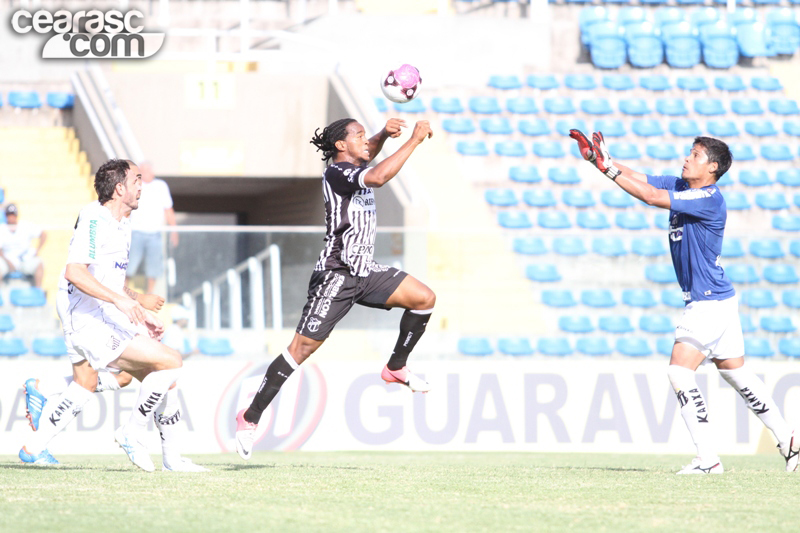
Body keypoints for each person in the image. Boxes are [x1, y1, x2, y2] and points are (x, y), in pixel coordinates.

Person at [570, 129, 799, 474]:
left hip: (708, 302)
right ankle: (790, 442)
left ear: (713, 167)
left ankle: (708, 460)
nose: (686, 159)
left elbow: (648, 196)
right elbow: (644, 180)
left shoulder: (708, 198)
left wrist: (607, 170)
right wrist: (602, 160)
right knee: (737, 374)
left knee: (679, 371)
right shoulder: (682, 185)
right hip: (719, 299)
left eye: (694, 155)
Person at [234, 117, 436, 460]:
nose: (365, 141)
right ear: (341, 146)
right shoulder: (337, 173)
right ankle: (250, 416)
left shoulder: (354, 160)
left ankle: (396, 367)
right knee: (300, 349)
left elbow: (368, 154)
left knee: (424, 298)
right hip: (337, 273)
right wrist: (413, 140)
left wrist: (383, 135)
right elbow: (379, 176)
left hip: (365, 270)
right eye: (357, 135)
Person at [19, 159, 193, 473]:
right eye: (137, 179)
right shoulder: (96, 219)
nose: (143, 185)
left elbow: (108, 280)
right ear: (119, 188)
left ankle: (35, 443)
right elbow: (74, 271)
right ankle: (133, 433)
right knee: (169, 362)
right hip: (85, 315)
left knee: (93, 382)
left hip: (94, 311)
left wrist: (138, 305)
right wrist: (122, 303)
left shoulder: (122, 223)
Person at [127, 161, 178, 294]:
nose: (145, 174)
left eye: (147, 171)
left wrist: (174, 230)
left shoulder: (161, 186)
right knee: (129, 265)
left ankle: (150, 293)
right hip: (135, 232)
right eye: (142, 171)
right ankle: (123, 289)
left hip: (155, 234)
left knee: (154, 265)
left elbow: (168, 209)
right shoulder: (134, 186)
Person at [0, 203, 47, 287]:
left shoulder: (25, 226)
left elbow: (43, 234)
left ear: (16, 215)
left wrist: (37, 250)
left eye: (13, 215)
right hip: (7, 260)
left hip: (24, 260)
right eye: (9, 215)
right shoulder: (2, 228)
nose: (11, 217)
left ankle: (38, 292)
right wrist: (8, 261)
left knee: (39, 263)